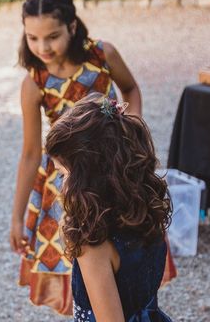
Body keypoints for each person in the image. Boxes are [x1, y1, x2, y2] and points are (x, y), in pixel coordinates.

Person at [9, 0, 175, 315]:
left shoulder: (102, 55)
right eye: (32, 38)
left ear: (72, 26)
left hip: (113, 166)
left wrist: (131, 132)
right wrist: (16, 217)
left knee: (124, 239)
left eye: (52, 36)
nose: (43, 47)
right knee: (82, 248)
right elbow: (30, 152)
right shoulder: (34, 82)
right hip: (69, 177)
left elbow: (130, 88)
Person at [45, 94, 174, 322]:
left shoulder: (93, 245)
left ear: (88, 179)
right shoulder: (146, 213)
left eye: (64, 174)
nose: (61, 184)